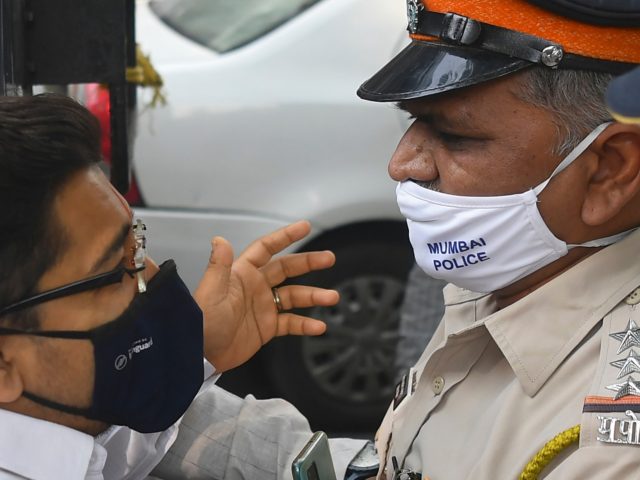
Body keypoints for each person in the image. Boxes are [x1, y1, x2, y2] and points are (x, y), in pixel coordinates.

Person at [0, 93, 365, 479]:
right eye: (113, 273)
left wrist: (192, 353)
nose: (152, 275)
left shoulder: (79, 428)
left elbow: (139, 443)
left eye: (138, 247)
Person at [354, 0, 640, 478]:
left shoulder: (610, 454)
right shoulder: (519, 275)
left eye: (455, 136)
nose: (403, 165)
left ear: (609, 172)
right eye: (413, 121)